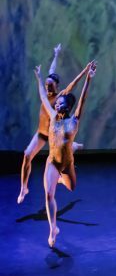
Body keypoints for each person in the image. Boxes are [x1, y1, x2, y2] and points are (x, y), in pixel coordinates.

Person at [33, 61, 96, 247]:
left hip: (66, 163)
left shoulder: (73, 122)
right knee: (49, 195)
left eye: (61, 103)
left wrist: (88, 78)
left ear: (67, 108)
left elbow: (82, 100)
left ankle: (73, 148)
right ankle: (53, 229)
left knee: (71, 187)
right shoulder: (52, 117)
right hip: (52, 162)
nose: (57, 104)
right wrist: (38, 77)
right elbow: (44, 96)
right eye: (57, 103)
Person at [18, 44, 89, 204]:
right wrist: (56, 54)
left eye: (50, 85)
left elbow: (74, 83)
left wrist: (85, 72)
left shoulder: (60, 97)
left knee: (63, 150)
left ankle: (74, 146)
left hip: (54, 134)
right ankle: (24, 188)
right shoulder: (47, 88)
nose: (48, 87)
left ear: (57, 86)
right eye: (46, 85)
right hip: (42, 133)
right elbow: (51, 69)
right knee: (27, 155)